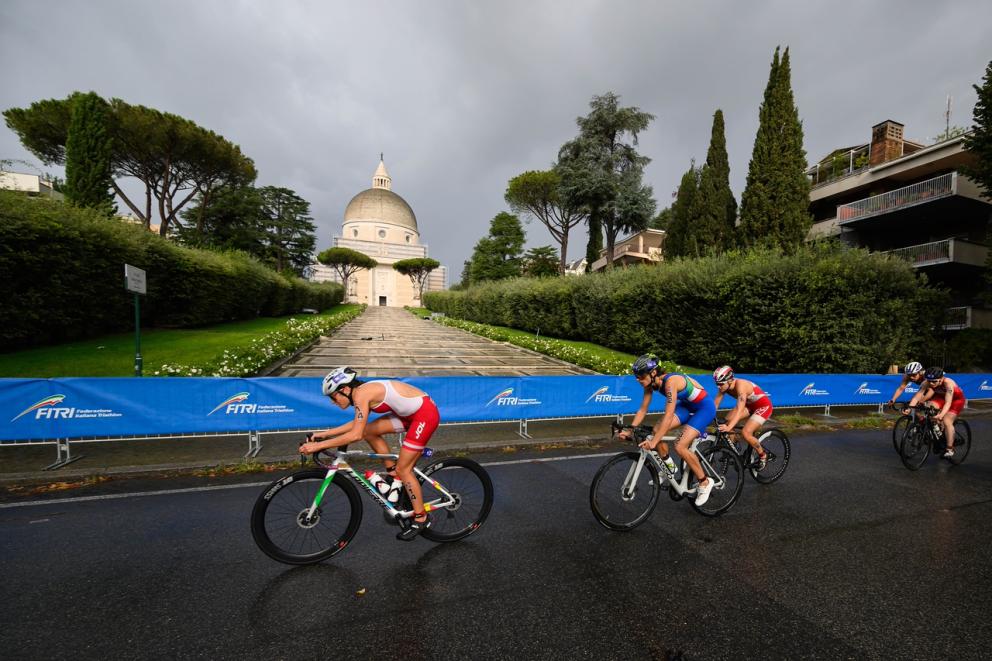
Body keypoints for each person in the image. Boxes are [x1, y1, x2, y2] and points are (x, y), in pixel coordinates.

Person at [299, 367, 440, 540]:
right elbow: (357, 425)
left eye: (333, 396)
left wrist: (316, 446)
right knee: (369, 431)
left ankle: (421, 518)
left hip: (424, 415)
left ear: (344, 389)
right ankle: (392, 476)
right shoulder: (360, 393)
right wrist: (322, 435)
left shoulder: (362, 394)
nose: (333, 402)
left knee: (405, 469)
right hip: (407, 415)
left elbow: (355, 435)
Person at [619, 354, 718, 507]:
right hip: (687, 406)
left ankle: (705, 481)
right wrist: (630, 430)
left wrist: (654, 442)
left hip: (704, 408)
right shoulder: (650, 384)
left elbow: (668, 415)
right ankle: (669, 467)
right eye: (636, 376)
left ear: (653, 373)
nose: (638, 379)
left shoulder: (670, 382)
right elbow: (643, 409)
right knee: (656, 431)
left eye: (641, 376)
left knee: (680, 445)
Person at [711, 366, 772, 469]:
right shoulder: (723, 387)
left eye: (720, 384)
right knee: (726, 421)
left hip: (763, 406)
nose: (718, 386)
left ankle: (763, 455)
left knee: (746, 432)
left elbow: (739, 410)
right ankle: (734, 447)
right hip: (749, 406)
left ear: (730, 380)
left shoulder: (741, 385)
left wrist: (729, 427)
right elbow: (715, 405)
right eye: (717, 384)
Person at [908, 367, 966, 458]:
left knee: (947, 421)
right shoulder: (926, 382)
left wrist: (941, 415)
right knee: (926, 408)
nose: (931, 383)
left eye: (934, 381)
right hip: (940, 398)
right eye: (929, 381)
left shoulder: (948, 383)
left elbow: (948, 403)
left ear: (941, 379)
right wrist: (910, 408)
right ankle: (937, 435)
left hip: (955, 400)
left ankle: (950, 449)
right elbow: (917, 397)